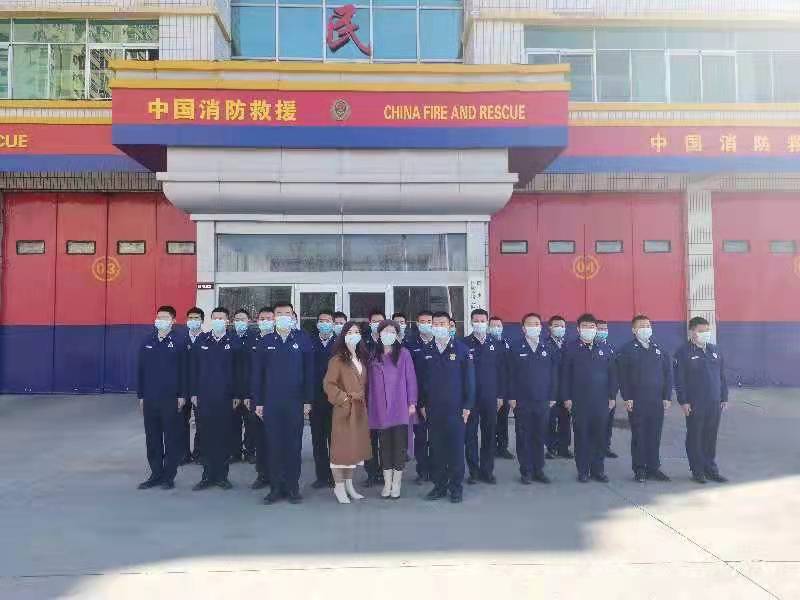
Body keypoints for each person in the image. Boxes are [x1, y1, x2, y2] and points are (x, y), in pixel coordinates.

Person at [253, 301, 313, 504]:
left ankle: (292, 487)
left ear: (293, 317)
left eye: (288, 313)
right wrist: (259, 402)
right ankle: (275, 488)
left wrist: (308, 400)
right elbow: (257, 374)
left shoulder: (303, 339)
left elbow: (309, 372)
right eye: (279, 313)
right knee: (274, 445)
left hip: (295, 402)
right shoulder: (265, 341)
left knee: (293, 446)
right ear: (274, 317)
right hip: (271, 402)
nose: (284, 317)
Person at [418, 311, 475, 503]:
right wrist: (422, 404)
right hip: (433, 409)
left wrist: (468, 405)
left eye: (442, 324)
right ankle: (439, 486)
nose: (439, 327)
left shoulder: (462, 350)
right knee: (437, 449)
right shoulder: (427, 351)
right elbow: (422, 381)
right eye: (435, 324)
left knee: (456, 450)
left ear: (450, 325)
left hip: (456, 410)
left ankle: (456, 488)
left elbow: (470, 381)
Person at [560, 313, 618, 483]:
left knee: (600, 436)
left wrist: (612, 396)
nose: (589, 330)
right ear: (578, 329)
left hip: (601, 400)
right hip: (579, 401)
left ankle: (598, 470)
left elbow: (612, 374)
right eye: (585, 327)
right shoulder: (570, 349)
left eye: (592, 327)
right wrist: (566, 397)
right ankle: (583, 470)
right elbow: (564, 375)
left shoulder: (605, 349)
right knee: (582, 436)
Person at [617, 315, 673, 483]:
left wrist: (667, 396)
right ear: (634, 330)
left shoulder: (659, 349)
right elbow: (623, 376)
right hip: (637, 400)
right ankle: (640, 468)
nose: (646, 329)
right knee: (639, 435)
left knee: (655, 435)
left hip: (656, 400)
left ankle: (654, 467)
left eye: (648, 325)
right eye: (641, 326)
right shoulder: (627, 350)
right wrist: (627, 397)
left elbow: (668, 374)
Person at [674, 316, 729, 484]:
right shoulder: (683, 353)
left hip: (714, 402)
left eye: (707, 330)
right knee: (695, 436)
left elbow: (721, 376)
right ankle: (697, 470)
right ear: (692, 332)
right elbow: (679, 380)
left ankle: (710, 469)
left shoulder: (715, 350)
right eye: (701, 331)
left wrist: (724, 397)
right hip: (695, 403)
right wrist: (683, 401)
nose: (705, 333)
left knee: (710, 436)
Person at [137, 305, 187, 490]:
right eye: (158, 317)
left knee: (171, 438)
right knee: (152, 438)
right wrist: (141, 395)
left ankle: (169, 476)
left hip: (171, 398)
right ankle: (155, 474)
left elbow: (185, 371)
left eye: (165, 317)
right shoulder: (147, 341)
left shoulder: (180, 342)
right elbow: (141, 370)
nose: (160, 320)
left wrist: (182, 395)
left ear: (173, 321)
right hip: (150, 398)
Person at [190, 307, 240, 490]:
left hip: (226, 398)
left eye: (221, 318)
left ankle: (221, 476)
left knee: (223, 436)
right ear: (211, 320)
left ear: (227, 321)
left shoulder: (234, 341)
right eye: (215, 317)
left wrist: (237, 394)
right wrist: (193, 392)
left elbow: (239, 370)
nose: (218, 320)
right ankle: (207, 475)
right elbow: (193, 368)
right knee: (206, 436)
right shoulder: (202, 340)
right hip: (204, 397)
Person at [367, 320, 418, 499]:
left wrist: (412, 402)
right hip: (380, 408)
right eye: (385, 331)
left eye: (392, 331)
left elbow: (411, 379)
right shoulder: (373, 355)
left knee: (399, 446)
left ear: (397, 335)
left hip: (400, 406)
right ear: (379, 334)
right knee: (384, 446)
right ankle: (387, 483)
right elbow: (369, 384)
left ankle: (396, 484)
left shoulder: (404, 354)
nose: (388, 334)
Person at [323, 322, 372, 504]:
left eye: (357, 332)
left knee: (354, 450)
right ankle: (339, 486)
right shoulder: (337, 360)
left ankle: (349, 485)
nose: (353, 335)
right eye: (350, 332)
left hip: (359, 410)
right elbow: (329, 384)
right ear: (343, 335)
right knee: (341, 450)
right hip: (344, 410)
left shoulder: (361, 358)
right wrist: (343, 399)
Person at [508, 312, 557, 485]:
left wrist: (553, 395)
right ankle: (526, 471)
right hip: (522, 401)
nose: (534, 327)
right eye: (530, 324)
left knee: (539, 435)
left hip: (543, 400)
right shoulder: (515, 347)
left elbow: (554, 374)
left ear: (541, 327)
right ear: (523, 328)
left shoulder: (547, 347)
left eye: (537, 324)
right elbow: (510, 374)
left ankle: (539, 470)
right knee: (524, 436)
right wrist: (511, 396)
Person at [463, 309, 508, 485]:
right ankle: (473, 471)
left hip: (491, 397)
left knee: (489, 434)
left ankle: (487, 471)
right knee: (470, 435)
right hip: (471, 398)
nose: (479, 324)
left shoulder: (496, 344)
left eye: (483, 321)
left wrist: (501, 395)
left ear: (487, 323)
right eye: (476, 321)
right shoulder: (464, 343)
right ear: (471, 322)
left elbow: (502, 372)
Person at [247, 306, 274, 490]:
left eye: (268, 318)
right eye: (262, 318)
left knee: (276, 439)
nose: (265, 321)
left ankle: (276, 474)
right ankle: (262, 474)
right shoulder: (252, 340)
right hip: (256, 397)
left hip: (276, 397)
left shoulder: (281, 340)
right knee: (260, 439)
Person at [310, 310, 336, 489]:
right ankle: (321, 476)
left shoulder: (341, 343)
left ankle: (335, 476)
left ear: (333, 324)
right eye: (321, 320)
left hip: (336, 400)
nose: (324, 323)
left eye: (328, 321)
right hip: (316, 399)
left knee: (335, 440)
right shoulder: (310, 342)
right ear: (317, 324)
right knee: (318, 440)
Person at [408, 309, 435, 483]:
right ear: (417, 324)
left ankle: (436, 469)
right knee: (420, 438)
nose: (426, 325)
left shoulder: (440, 342)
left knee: (436, 437)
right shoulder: (410, 345)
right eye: (422, 322)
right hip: (416, 399)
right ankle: (422, 470)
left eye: (429, 322)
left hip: (437, 399)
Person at [363, 308, 387, 486]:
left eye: (381, 322)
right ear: (369, 323)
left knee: (386, 438)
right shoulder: (362, 343)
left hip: (386, 398)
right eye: (375, 321)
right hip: (367, 397)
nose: (378, 325)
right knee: (369, 438)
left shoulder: (390, 342)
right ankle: (371, 473)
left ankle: (385, 472)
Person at [545, 315, 572, 460]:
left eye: (562, 326)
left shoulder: (569, 345)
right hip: (551, 390)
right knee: (550, 420)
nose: (560, 328)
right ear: (550, 327)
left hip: (566, 390)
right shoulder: (544, 344)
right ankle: (550, 447)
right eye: (556, 325)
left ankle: (564, 448)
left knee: (565, 420)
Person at [490, 316, 514, 460]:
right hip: (491, 389)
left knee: (503, 420)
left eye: (498, 326)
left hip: (504, 389)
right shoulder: (487, 344)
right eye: (493, 326)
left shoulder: (506, 344)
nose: (496, 328)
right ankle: (491, 447)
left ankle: (503, 447)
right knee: (491, 422)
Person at [231, 309, 254, 464]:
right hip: (232, 389)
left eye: (243, 319)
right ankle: (235, 452)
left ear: (249, 321)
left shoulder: (254, 338)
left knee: (251, 424)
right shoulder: (228, 338)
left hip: (249, 390)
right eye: (237, 319)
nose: (240, 322)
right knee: (233, 424)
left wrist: (248, 394)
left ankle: (250, 451)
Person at [183, 306, 205, 464]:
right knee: (180, 423)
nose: (193, 320)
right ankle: (183, 454)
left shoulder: (207, 339)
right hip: (182, 388)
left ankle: (199, 453)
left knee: (201, 423)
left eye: (196, 318)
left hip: (200, 389)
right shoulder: (179, 339)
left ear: (202, 320)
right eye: (190, 318)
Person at [596, 319, 619, 459]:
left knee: (608, 422)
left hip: (609, 393)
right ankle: (593, 448)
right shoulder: (588, 348)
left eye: (605, 329)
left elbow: (615, 373)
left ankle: (605, 447)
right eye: (600, 329)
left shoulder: (611, 348)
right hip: (593, 394)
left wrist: (613, 395)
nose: (603, 331)